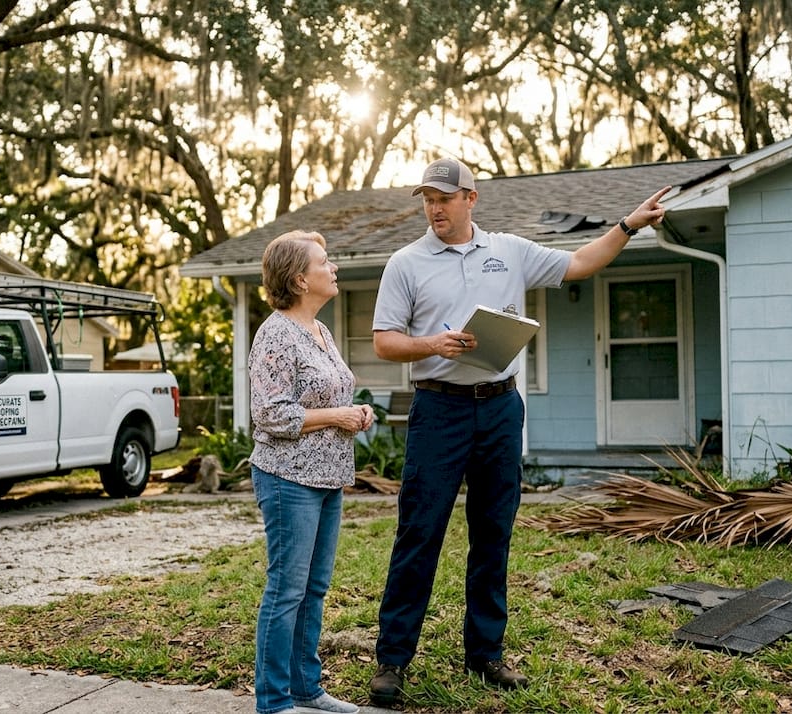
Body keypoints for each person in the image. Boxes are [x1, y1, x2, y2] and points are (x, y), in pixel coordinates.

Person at [367, 157, 670, 706]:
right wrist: (433, 344)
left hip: (501, 410)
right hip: (439, 411)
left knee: (494, 531)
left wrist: (627, 225)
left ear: (470, 199)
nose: (434, 208)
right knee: (420, 532)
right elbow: (385, 341)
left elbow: (579, 262)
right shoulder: (405, 263)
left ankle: (485, 654)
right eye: (427, 199)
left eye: (444, 197)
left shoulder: (508, 250)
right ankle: (392, 660)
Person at [249, 230, 376, 714]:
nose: (334, 268)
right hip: (288, 479)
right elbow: (271, 413)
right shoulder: (276, 334)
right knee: (287, 589)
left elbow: (330, 397)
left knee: (314, 588)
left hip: (328, 478)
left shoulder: (319, 332)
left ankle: (306, 688)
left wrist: (358, 413)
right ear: (301, 280)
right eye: (325, 262)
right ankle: (274, 700)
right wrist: (337, 416)